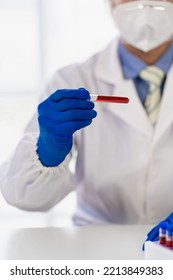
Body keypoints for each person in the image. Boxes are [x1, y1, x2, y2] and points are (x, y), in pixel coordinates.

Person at [1, 0, 173, 245]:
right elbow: (24, 197)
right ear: (110, 2)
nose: (144, 5)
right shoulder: (71, 79)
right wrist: (47, 152)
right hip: (95, 247)